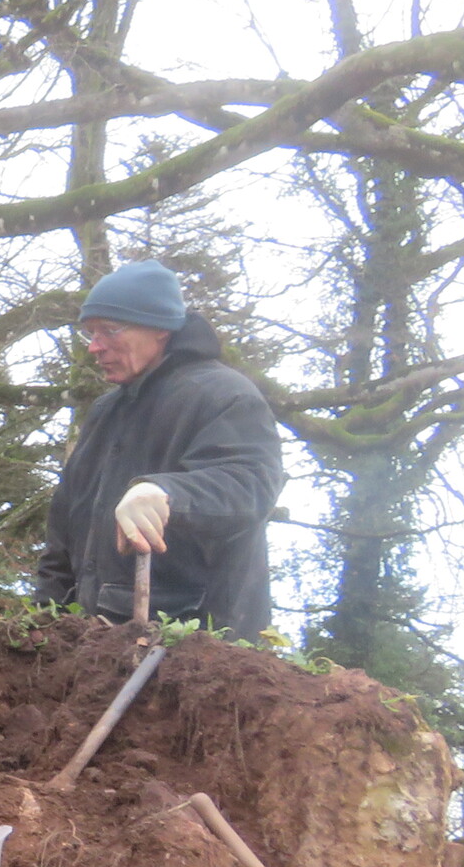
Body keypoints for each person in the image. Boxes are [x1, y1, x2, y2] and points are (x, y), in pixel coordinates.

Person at [33, 261, 284, 634]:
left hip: (200, 645)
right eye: (90, 333)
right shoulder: (104, 413)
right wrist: (42, 625)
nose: (95, 347)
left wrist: (167, 493)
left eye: (110, 330)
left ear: (161, 329)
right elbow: (62, 539)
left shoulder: (224, 395)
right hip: (91, 648)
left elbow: (251, 484)